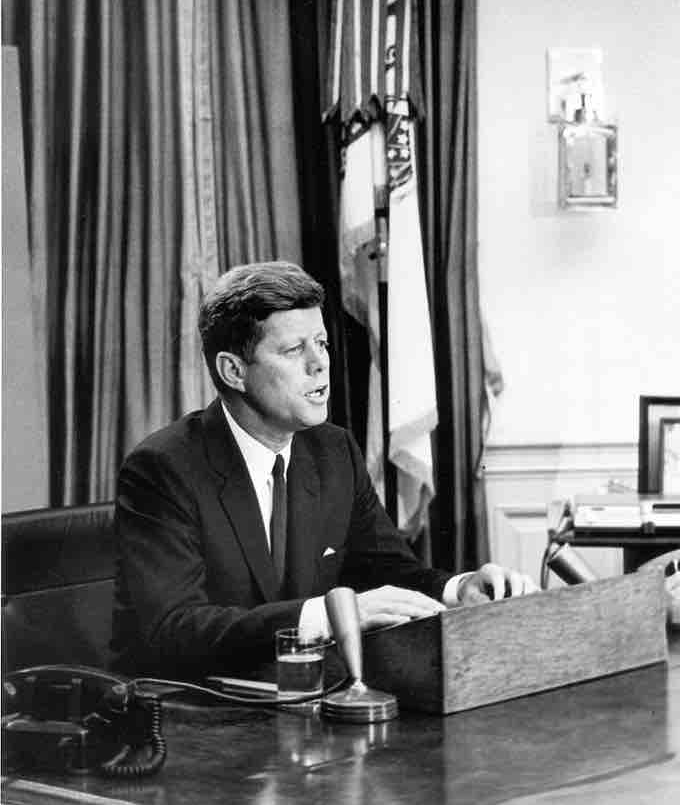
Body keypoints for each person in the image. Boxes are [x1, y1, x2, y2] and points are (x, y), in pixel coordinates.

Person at [112, 261, 536, 679]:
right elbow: (176, 629)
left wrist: (458, 589)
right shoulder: (163, 468)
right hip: (199, 707)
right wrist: (330, 616)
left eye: (322, 343)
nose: (319, 364)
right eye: (294, 350)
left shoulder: (333, 451)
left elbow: (389, 572)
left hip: (308, 694)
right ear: (233, 371)